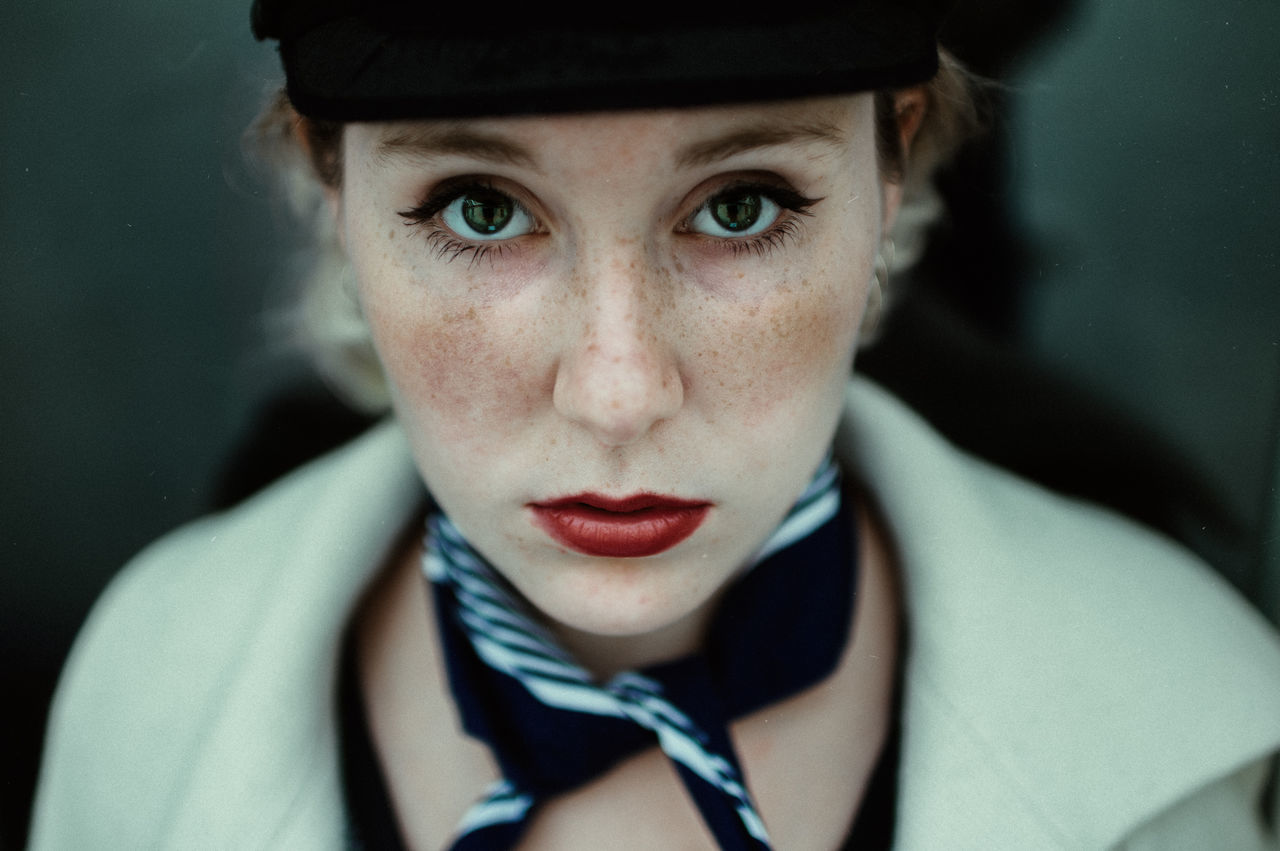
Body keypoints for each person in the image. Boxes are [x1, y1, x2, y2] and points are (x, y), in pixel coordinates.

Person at [30, 4, 1280, 849]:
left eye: (739, 206)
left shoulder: (1186, 748)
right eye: (477, 207)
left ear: (890, 169)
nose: (618, 394)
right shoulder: (145, 689)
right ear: (331, 183)